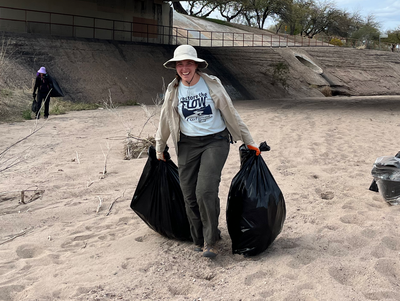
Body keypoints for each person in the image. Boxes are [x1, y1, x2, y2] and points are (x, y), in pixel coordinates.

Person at [155, 45, 260, 259]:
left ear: (196, 65)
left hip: (215, 140)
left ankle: (210, 242)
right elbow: (165, 120)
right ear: (176, 67)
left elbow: (231, 112)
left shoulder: (212, 85)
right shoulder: (173, 89)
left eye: (189, 63)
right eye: (180, 64)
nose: (184, 68)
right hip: (186, 145)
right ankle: (199, 238)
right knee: (189, 195)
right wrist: (159, 147)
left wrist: (249, 141)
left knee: (205, 190)